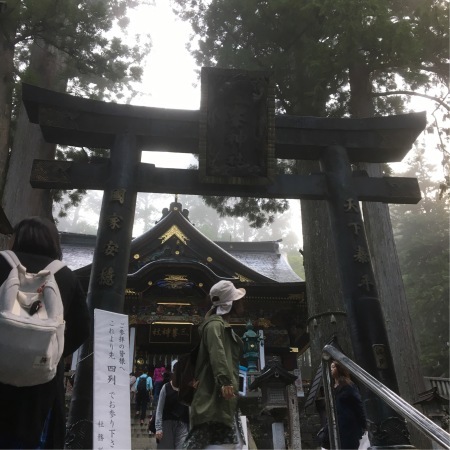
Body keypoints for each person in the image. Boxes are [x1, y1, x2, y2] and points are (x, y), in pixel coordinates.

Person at [0, 216, 90, 449]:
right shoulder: (64, 276)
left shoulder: (1, 263)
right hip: (41, 388)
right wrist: (50, 350)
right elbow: (82, 328)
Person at [183, 280, 246, 450]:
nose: (241, 301)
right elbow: (217, 354)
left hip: (222, 399)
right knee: (213, 443)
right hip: (214, 397)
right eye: (237, 298)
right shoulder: (215, 326)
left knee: (226, 443)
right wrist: (225, 382)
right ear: (230, 303)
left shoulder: (220, 326)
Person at [320, 360, 367, 449]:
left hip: (347, 425)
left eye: (333, 367)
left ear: (339, 369)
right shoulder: (332, 387)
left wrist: (364, 423)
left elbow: (358, 404)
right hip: (335, 424)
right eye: (330, 367)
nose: (331, 369)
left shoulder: (348, 385)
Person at [154, 362, 189, 449]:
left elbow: (191, 409)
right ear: (173, 372)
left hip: (183, 425)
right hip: (166, 425)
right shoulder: (165, 387)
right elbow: (159, 409)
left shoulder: (187, 389)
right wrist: (158, 428)